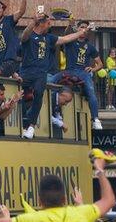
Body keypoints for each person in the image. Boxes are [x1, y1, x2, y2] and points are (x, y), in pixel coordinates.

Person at [0, 157, 115, 221]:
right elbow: (109, 200)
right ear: (64, 198)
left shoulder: (33, 218)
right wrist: (99, 170)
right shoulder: (82, 212)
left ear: (40, 201)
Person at [19, 11, 87, 139]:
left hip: (41, 73)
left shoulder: (49, 38)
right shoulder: (30, 35)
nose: (50, 26)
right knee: (21, 96)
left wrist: (81, 32)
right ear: (41, 24)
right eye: (48, 24)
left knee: (39, 95)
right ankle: (24, 124)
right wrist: (33, 21)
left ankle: (31, 127)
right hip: (26, 71)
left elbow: (65, 39)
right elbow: (23, 36)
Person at [51, 20, 104, 130]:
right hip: (68, 70)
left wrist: (92, 69)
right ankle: (55, 112)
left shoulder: (90, 47)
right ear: (78, 29)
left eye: (85, 27)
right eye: (81, 27)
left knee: (90, 91)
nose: (83, 29)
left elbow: (100, 64)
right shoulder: (71, 42)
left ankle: (95, 119)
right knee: (50, 82)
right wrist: (69, 24)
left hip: (82, 72)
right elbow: (65, 36)